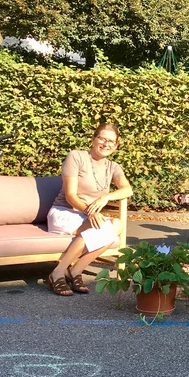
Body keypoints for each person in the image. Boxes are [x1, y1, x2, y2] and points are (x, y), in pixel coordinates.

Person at [45, 123, 133, 296]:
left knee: (116, 225)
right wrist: (90, 211)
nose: (106, 144)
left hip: (88, 217)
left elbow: (127, 189)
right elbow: (70, 195)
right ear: (93, 139)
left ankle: (76, 270)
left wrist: (106, 197)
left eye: (111, 141)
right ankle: (57, 273)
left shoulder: (113, 167)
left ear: (116, 145)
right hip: (65, 212)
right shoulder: (76, 157)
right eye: (102, 138)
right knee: (101, 227)